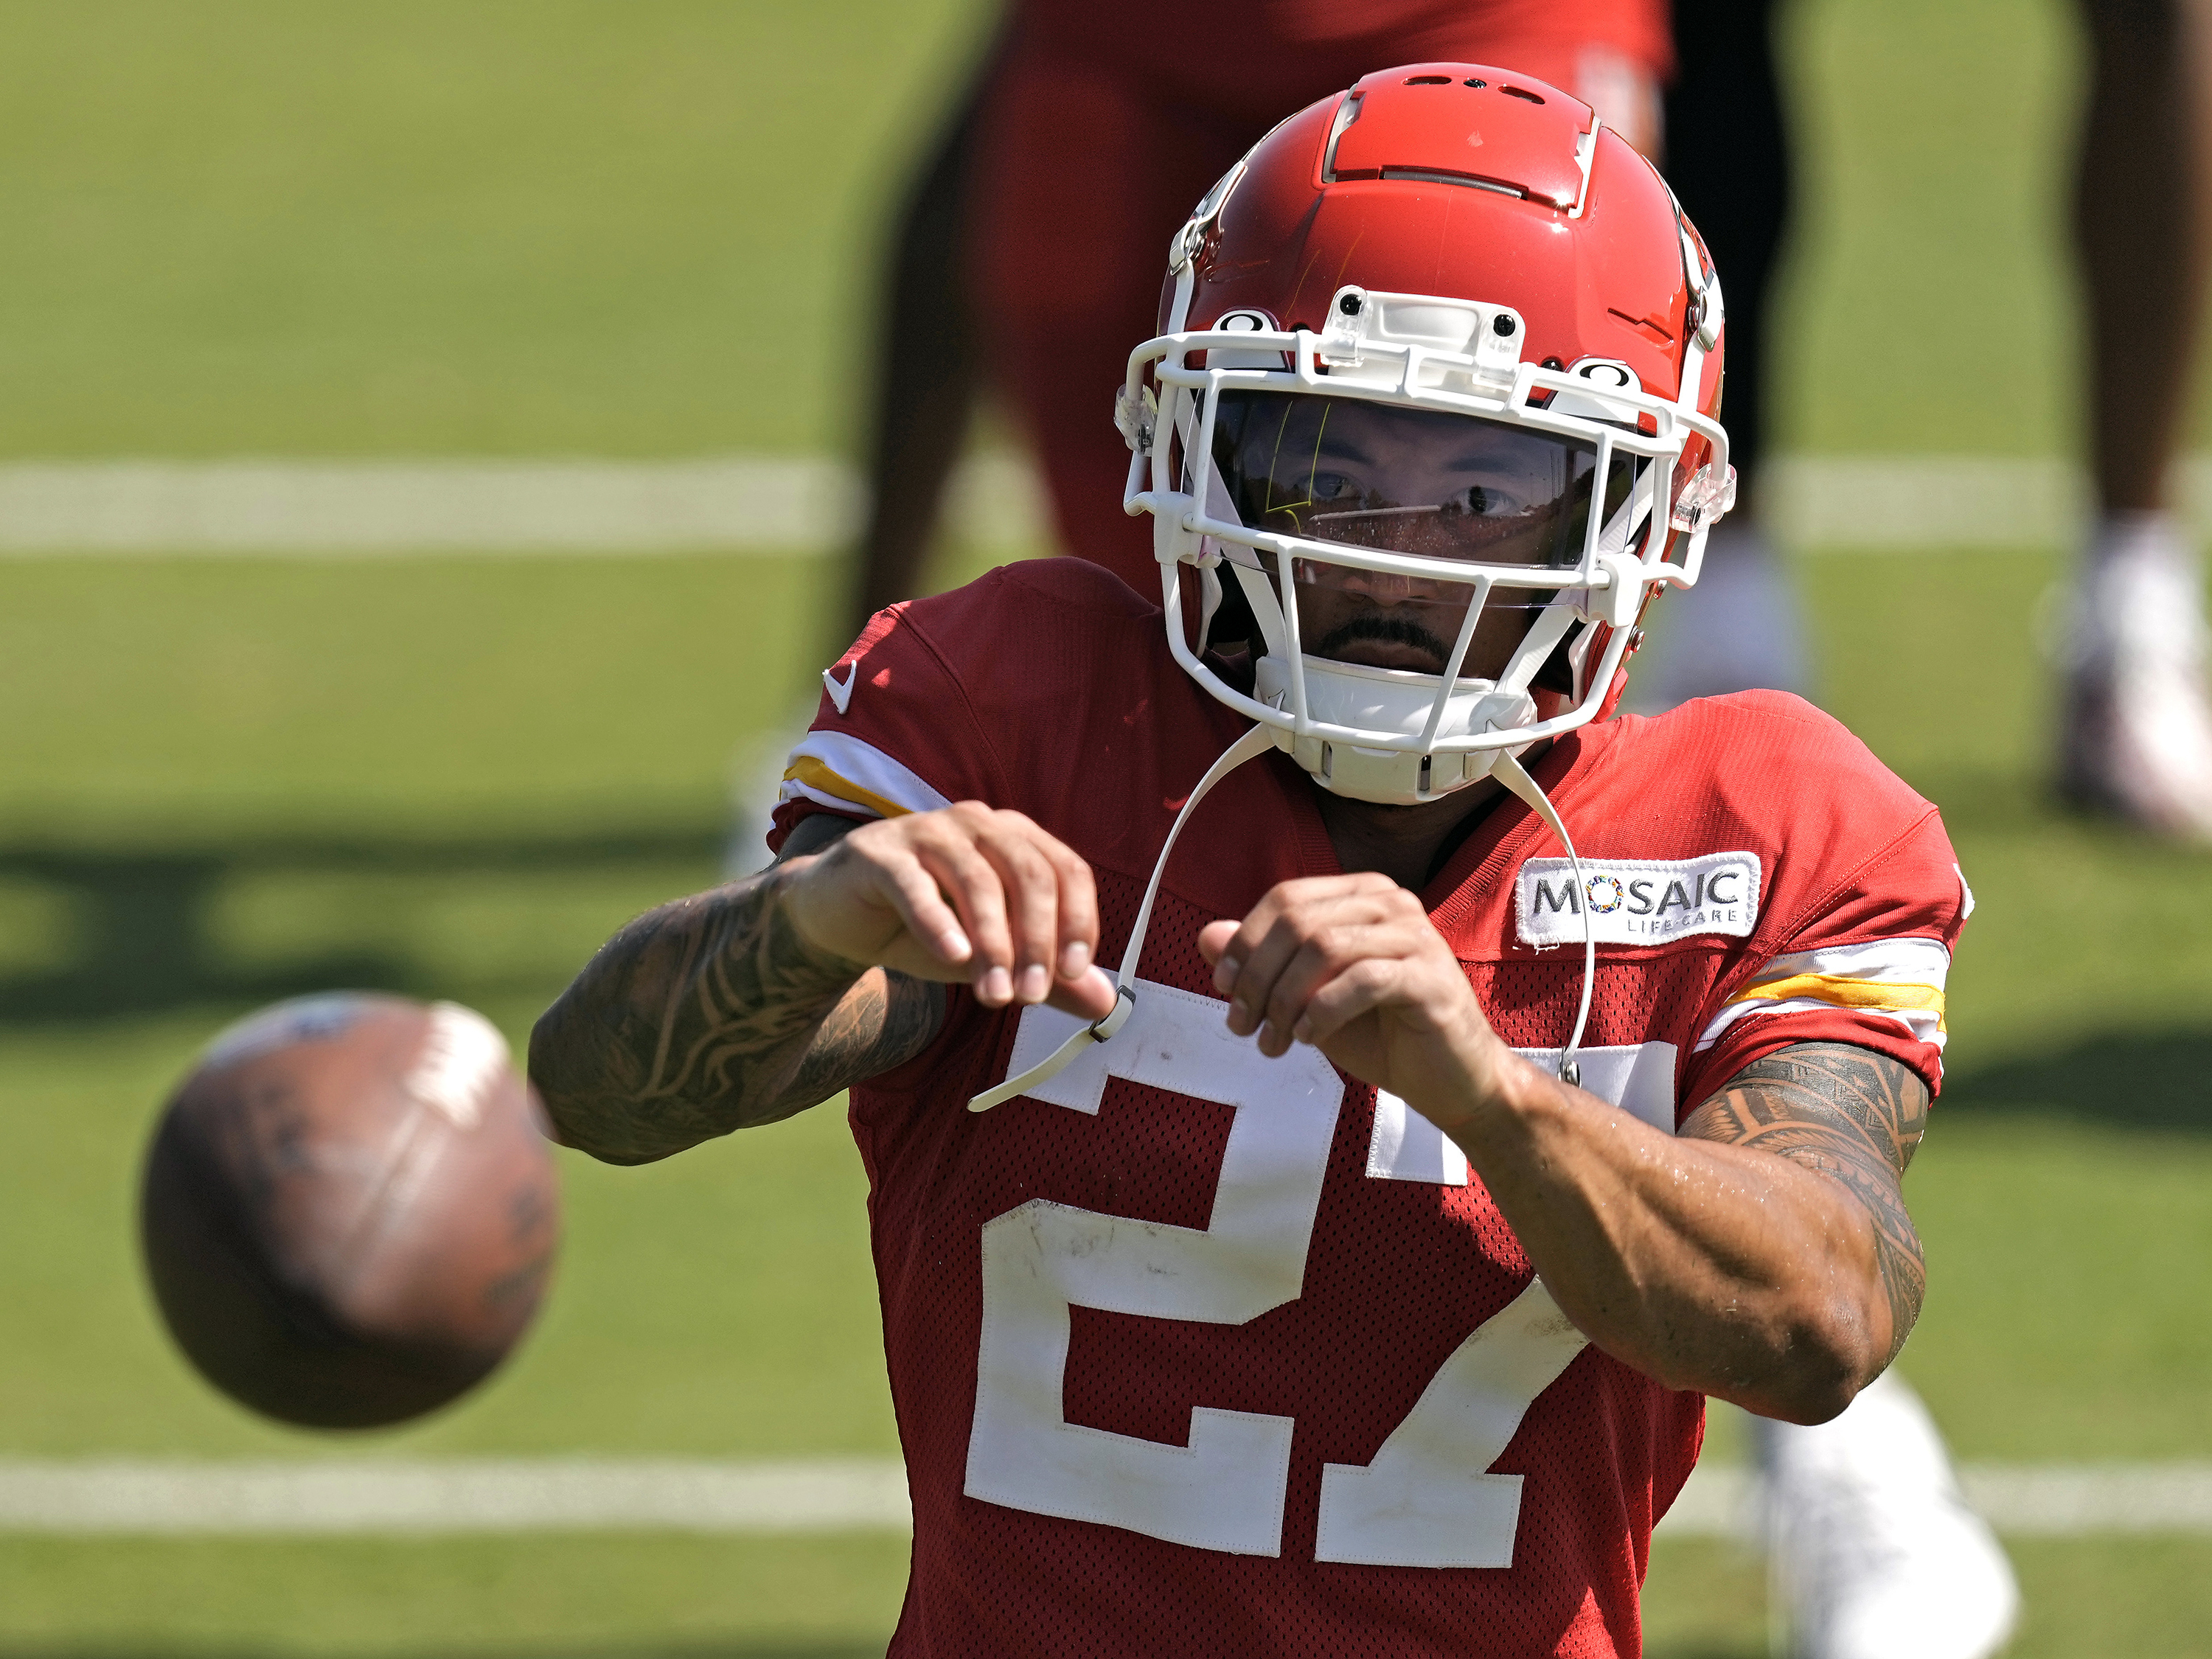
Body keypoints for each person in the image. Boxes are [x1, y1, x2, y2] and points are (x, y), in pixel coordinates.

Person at [540, 69, 1971, 1656]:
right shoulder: (1018, 719)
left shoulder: (1762, 823)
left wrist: (1489, 1097)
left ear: (1644, 505)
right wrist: (810, 924)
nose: (1391, 555)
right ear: (1197, 440)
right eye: (1322, 468)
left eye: (1485, 491)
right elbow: (599, 1093)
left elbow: (1823, 1318)